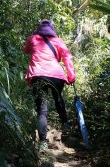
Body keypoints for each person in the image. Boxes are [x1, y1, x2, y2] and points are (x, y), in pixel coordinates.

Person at [23, 19, 76, 151]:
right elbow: (67, 57)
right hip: (56, 76)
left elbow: (26, 50)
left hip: (38, 76)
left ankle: (43, 143)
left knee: (42, 111)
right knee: (58, 99)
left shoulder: (33, 38)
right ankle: (65, 125)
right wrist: (71, 76)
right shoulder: (58, 40)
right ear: (52, 29)